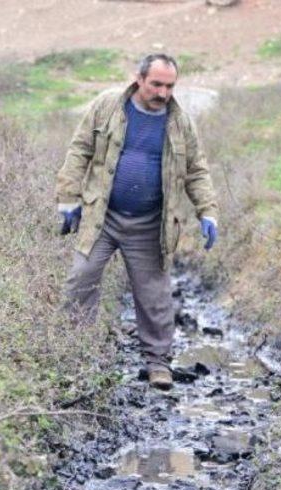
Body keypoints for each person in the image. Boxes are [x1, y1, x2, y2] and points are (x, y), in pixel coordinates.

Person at [56, 52, 219, 391]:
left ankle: (158, 364)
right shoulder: (107, 106)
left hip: (149, 223)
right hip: (103, 216)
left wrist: (207, 211)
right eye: (156, 84)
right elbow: (80, 150)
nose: (163, 93)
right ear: (139, 79)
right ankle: (73, 355)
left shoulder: (180, 122)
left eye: (170, 86)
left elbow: (196, 170)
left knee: (154, 295)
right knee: (80, 280)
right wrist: (68, 199)